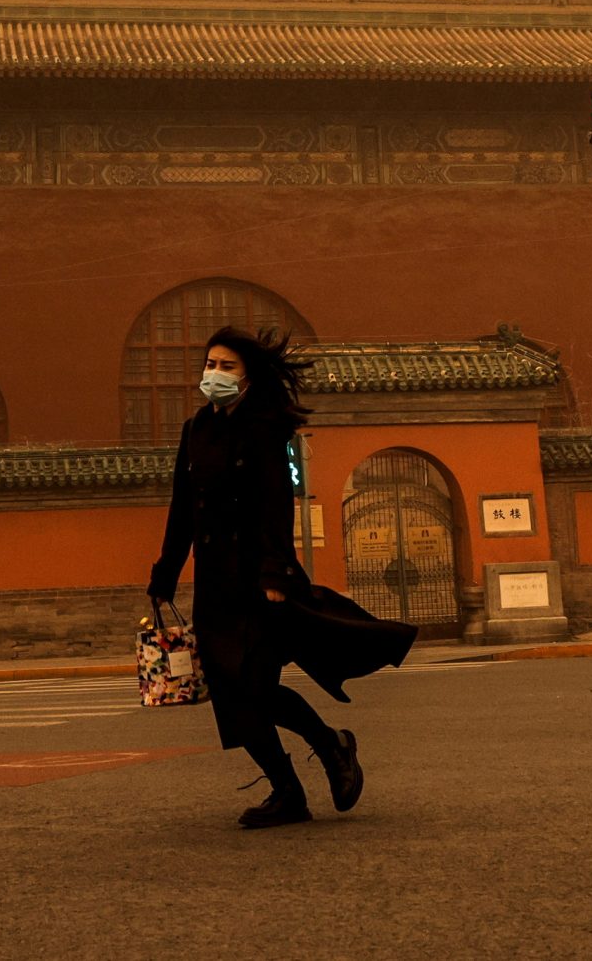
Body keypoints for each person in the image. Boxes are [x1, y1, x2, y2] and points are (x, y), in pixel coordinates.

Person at [149, 327, 417, 830]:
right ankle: (289, 790)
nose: (214, 375)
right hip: (213, 585)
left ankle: (330, 746)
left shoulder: (265, 427)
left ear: (249, 376)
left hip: (257, 580)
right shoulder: (195, 430)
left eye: (227, 367)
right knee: (232, 697)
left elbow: (276, 503)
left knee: (253, 683)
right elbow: (182, 508)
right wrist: (166, 572)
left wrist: (274, 571)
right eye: (210, 364)